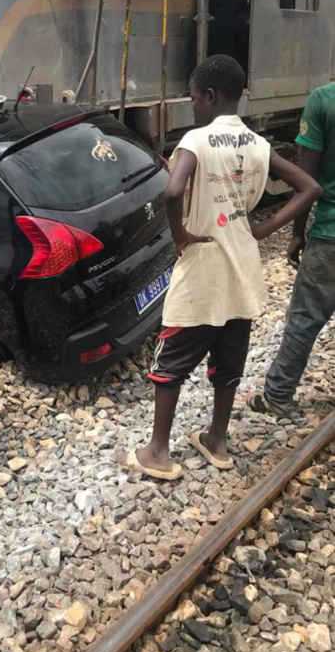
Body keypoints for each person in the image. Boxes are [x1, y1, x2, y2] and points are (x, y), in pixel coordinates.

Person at [125, 55, 321, 481]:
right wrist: (266, 226)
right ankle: (217, 440)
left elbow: (173, 191)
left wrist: (178, 236)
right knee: (228, 363)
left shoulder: (196, 140)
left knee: (171, 362)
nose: (193, 106)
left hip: (202, 272)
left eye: (194, 98)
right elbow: (311, 187)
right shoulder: (257, 144)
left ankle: (157, 451)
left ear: (210, 96)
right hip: (242, 272)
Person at [246, 83, 335, 416]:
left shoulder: (324, 100)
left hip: (330, 235)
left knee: (305, 317)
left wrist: (297, 235)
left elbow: (306, 180)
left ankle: (278, 395)